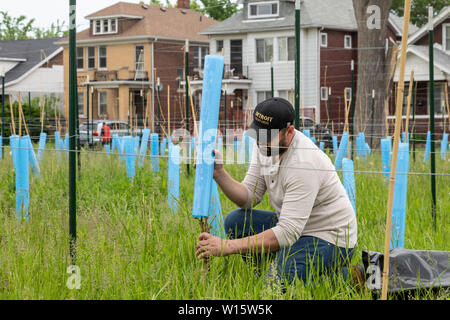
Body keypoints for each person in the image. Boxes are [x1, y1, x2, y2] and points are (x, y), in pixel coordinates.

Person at [195, 97, 363, 288]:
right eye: (257, 135)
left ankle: (350, 278)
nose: (259, 143)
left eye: (267, 137)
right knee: (236, 222)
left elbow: (287, 233)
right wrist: (219, 174)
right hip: (296, 226)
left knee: (274, 285)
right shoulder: (265, 147)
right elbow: (249, 197)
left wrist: (228, 247)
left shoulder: (304, 163)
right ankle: (273, 272)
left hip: (329, 237)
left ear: (289, 132)